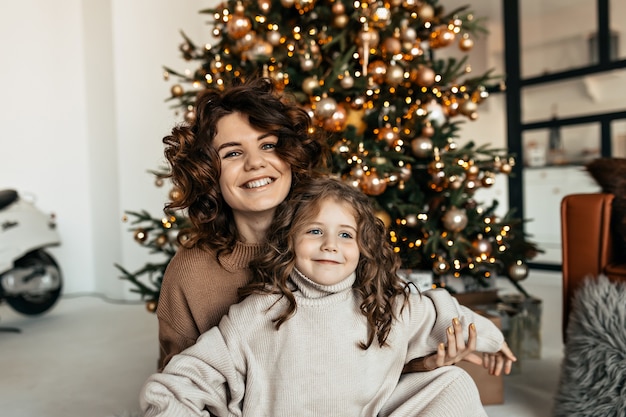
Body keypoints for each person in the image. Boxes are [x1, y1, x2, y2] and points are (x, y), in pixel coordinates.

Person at [155, 76, 481, 373]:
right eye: (232, 154)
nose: (255, 163)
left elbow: (366, 363)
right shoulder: (191, 272)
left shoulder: (337, 244)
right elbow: (183, 378)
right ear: (208, 173)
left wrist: (426, 362)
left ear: (290, 156)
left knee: (449, 381)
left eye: (268, 145)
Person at [140, 177, 516, 417]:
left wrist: (490, 340)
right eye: (316, 232)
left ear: (363, 246)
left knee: (452, 383)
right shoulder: (256, 313)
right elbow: (191, 375)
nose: (331, 245)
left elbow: (442, 311)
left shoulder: (384, 304)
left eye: (346, 235)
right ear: (289, 240)